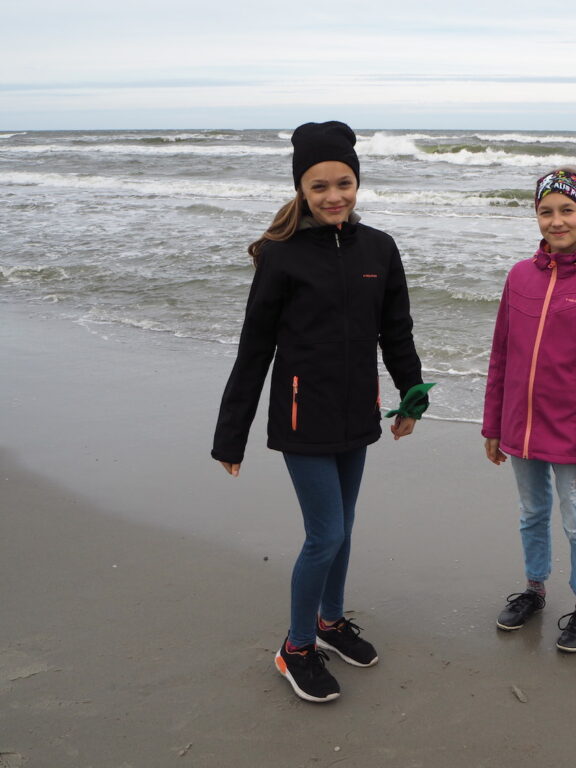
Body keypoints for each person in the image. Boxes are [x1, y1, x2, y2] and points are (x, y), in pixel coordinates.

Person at [212, 121, 432, 703]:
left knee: (345, 527)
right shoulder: (281, 257)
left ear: (357, 183)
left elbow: (397, 331)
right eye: (319, 186)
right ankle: (296, 647)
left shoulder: (379, 248)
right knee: (325, 534)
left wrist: (412, 397)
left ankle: (330, 623)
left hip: (357, 413)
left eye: (344, 183)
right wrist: (231, 435)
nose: (334, 196)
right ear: (301, 190)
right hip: (302, 417)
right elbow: (254, 349)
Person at [482, 167, 576, 653]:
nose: (556, 221)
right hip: (520, 427)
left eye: (567, 210)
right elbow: (501, 354)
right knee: (531, 512)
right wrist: (492, 424)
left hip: (574, 433)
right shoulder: (519, 276)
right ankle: (534, 589)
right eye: (545, 211)